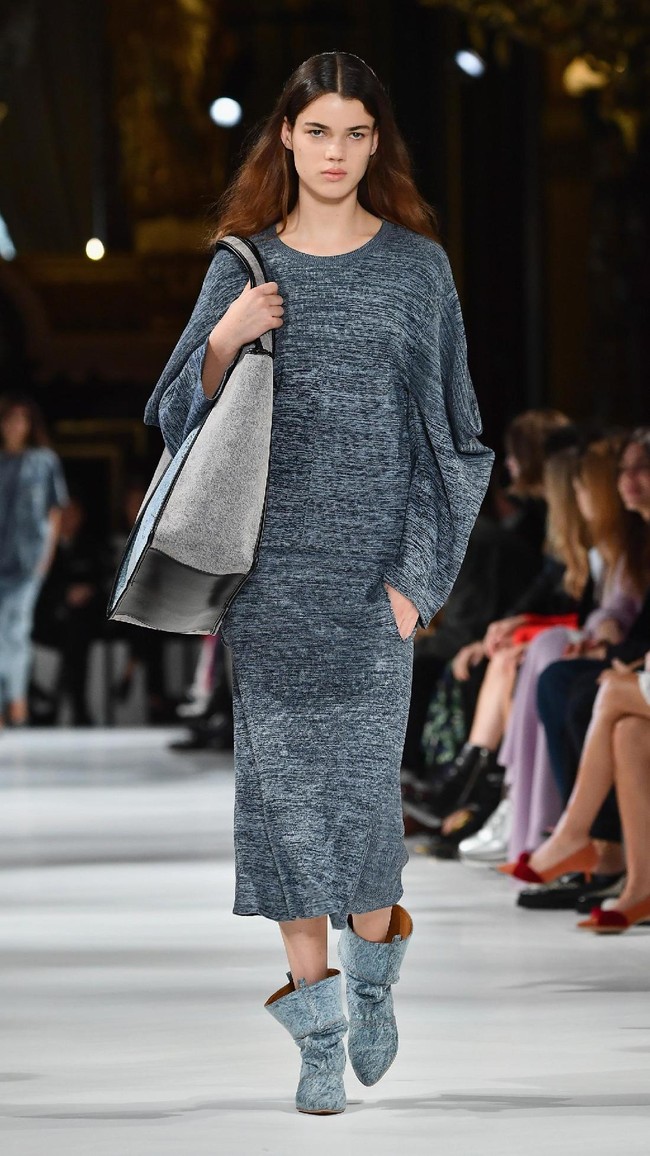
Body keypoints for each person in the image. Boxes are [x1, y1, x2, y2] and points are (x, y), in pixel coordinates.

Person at [142, 52, 493, 1114]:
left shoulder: (415, 271)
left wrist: (415, 581)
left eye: (355, 133)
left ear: (374, 144)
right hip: (270, 582)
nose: (335, 152)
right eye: (316, 132)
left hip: (370, 586)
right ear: (283, 139)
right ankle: (316, 1024)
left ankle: (375, 965)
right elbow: (169, 418)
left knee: (363, 826)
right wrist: (223, 339)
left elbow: (459, 442)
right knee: (284, 811)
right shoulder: (240, 264)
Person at [0, 392, 68, 729]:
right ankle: (10, 701)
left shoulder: (43, 461)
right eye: (8, 419)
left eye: (20, 420)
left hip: (27, 559)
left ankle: (17, 701)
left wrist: (47, 555)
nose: (14, 426)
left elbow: (55, 510)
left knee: (16, 628)